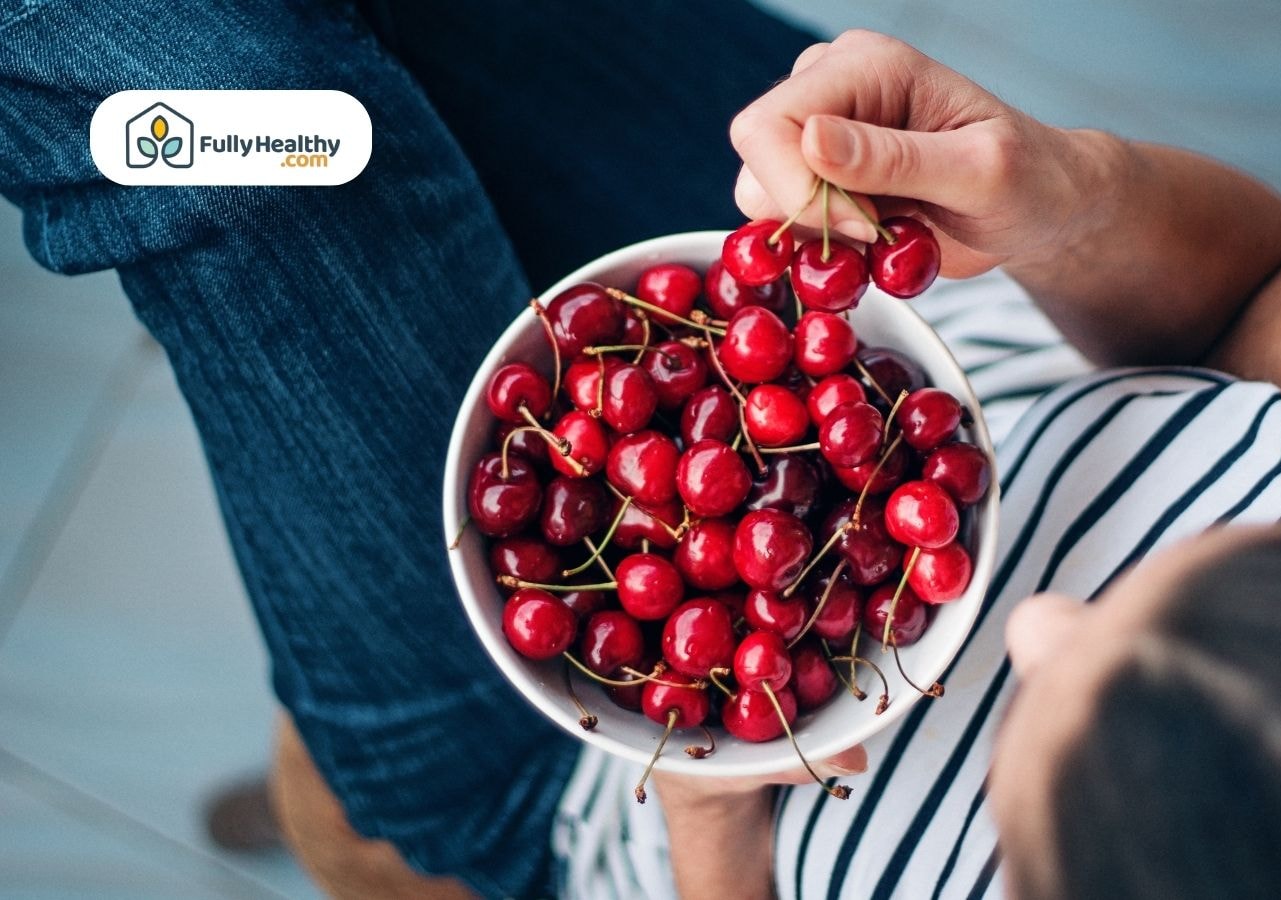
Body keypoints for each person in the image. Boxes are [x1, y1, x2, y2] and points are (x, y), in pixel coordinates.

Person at [542, 30, 1281, 900]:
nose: (1035, 618)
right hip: (862, 321)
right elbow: (1265, 285)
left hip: (563, 790)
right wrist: (1067, 198)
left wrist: (710, 817)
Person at [0, 1, 818, 896]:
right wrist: (1005, 218)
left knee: (228, 117)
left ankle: (336, 790)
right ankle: (328, 761)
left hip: (599, 783)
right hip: (855, 307)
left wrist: (710, 815)